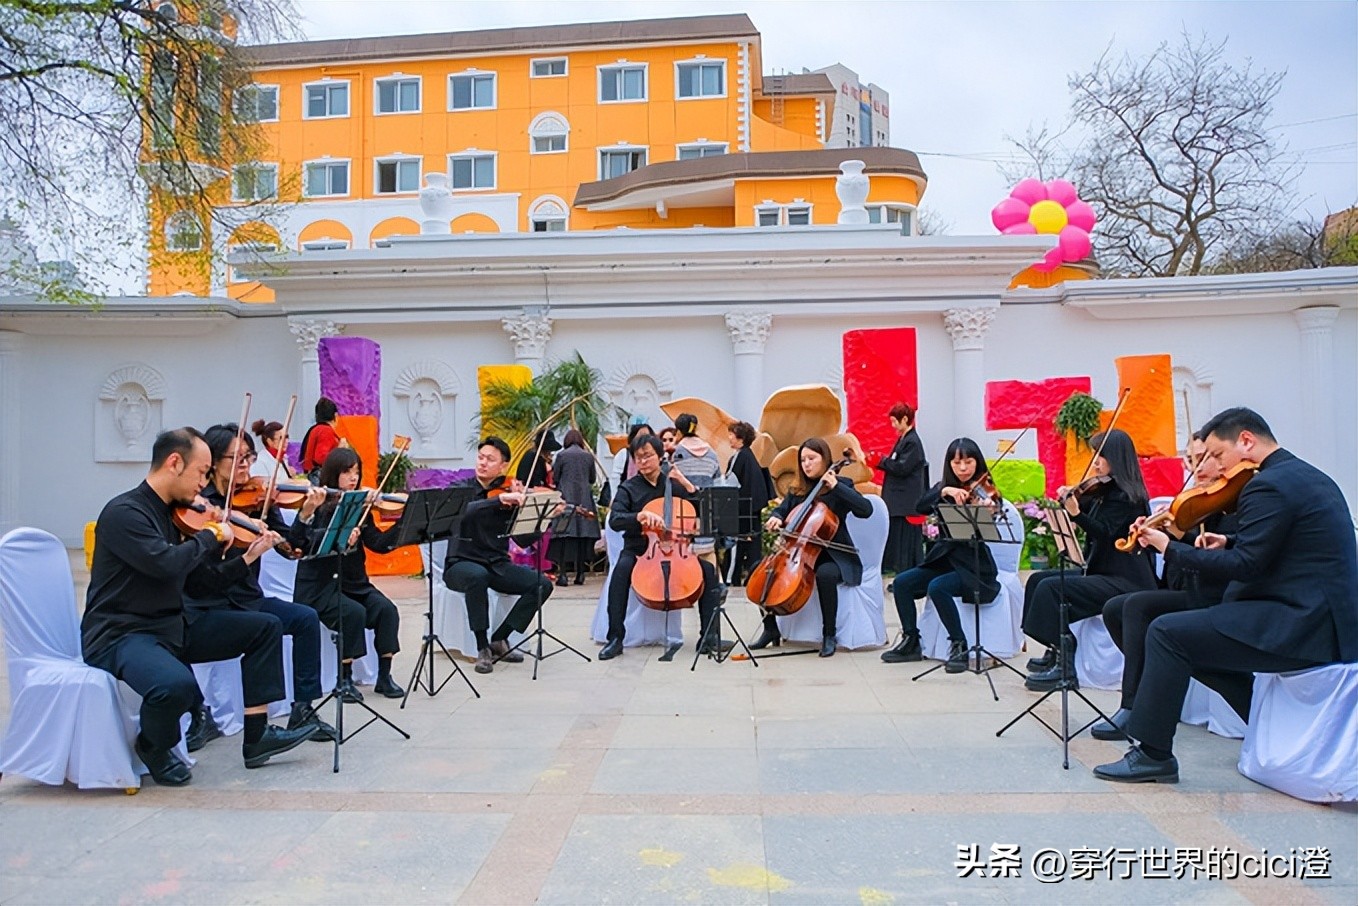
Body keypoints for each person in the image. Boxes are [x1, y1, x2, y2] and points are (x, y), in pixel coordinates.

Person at [1093, 408, 1358, 784]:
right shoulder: (1302, 475)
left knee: (1167, 631)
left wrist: (1170, 549)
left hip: (1303, 622)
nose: (1214, 465)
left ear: (1246, 441)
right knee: (1192, 644)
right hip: (1321, 617)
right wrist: (1228, 540)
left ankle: (1153, 754)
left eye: (1217, 455)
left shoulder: (1268, 485)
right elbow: (1280, 548)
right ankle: (1263, 720)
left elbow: (1247, 566)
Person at [81, 428, 319, 785]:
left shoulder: (177, 514)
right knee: (176, 686)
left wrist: (239, 553)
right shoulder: (124, 513)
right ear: (174, 463)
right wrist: (211, 536)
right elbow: (165, 564)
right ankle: (152, 746)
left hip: (175, 625)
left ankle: (257, 737)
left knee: (265, 625)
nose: (204, 484)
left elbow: (197, 580)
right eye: (202, 472)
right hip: (124, 632)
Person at [187, 424, 335, 742]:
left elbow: (291, 548)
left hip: (247, 597)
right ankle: (202, 715)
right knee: (265, 625)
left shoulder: (259, 498)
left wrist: (307, 514)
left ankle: (302, 709)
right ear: (212, 462)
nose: (246, 465)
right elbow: (201, 570)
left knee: (306, 618)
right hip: (212, 601)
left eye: (249, 457)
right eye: (236, 458)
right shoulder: (199, 506)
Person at [1091, 432, 1238, 740]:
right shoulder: (1199, 501)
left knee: (1135, 605)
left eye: (1204, 459)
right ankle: (1146, 687)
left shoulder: (1231, 503)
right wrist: (1155, 536)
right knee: (1115, 608)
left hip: (1217, 596)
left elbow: (1215, 557)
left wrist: (1168, 541)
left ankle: (1133, 706)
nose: (1196, 469)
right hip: (1190, 589)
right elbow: (1192, 545)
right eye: (1190, 460)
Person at [1022, 428, 1156, 691]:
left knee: (1052, 588)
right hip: (1101, 571)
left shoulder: (1128, 498)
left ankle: (1066, 662)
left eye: (1101, 456)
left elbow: (1105, 533)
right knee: (1038, 580)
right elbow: (1094, 518)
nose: (1095, 462)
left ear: (1116, 459)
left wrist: (1076, 513)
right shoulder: (1105, 492)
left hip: (1124, 580)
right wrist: (1075, 500)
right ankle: (1054, 646)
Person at [600, 434, 727, 660]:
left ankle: (709, 636)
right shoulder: (628, 488)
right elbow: (615, 518)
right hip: (640, 549)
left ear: (660, 457)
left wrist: (686, 482)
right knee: (620, 572)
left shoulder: (673, 485)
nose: (642, 461)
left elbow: (701, 507)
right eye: (638, 457)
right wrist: (639, 516)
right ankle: (615, 637)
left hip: (676, 548)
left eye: (648, 456)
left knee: (708, 572)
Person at [293, 447, 407, 700]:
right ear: (333, 475)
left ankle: (384, 676)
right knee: (353, 614)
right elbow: (303, 543)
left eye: (356, 472)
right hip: (321, 587)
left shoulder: (359, 507)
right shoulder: (321, 508)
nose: (353, 478)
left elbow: (377, 543)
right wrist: (340, 537)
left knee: (387, 610)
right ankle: (343, 679)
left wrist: (404, 524)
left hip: (355, 584)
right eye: (346, 472)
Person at [882, 437, 999, 673]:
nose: (963, 468)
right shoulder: (945, 490)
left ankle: (959, 645)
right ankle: (911, 640)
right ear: (949, 465)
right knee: (902, 583)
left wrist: (988, 511)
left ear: (978, 463)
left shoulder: (986, 493)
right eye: (957, 463)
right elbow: (920, 506)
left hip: (973, 565)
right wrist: (944, 489)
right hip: (945, 559)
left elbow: (991, 523)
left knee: (938, 587)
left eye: (968, 462)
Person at [750, 437, 874, 658]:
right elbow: (783, 509)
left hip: (833, 554)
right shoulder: (798, 489)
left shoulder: (841, 485)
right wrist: (777, 518)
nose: (806, 464)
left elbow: (866, 510)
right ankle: (771, 629)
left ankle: (829, 635)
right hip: (797, 552)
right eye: (803, 459)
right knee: (757, 570)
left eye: (812, 458)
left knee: (826, 575)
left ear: (825, 459)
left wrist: (836, 487)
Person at [444, 437, 558, 674]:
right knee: (477, 576)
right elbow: (463, 512)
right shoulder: (460, 489)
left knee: (541, 585)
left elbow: (522, 540)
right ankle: (482, 647)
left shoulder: (509, 493)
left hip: (496, 564)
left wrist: (542, 518)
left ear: (503, 466)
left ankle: (500, 637)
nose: (483, 463)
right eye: (481, 457)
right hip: (461, 564)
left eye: (490, 459)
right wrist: (498, 500)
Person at [875, 403, 928, 573]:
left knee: (906, 546)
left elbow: (901, 468)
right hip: (899, 502)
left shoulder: (912, 442)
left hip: (906, 503)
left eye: (894, 422)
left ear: (905, 419)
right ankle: (900, 574)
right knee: (899, 544)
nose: (893, 426)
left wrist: (880, 461)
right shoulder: (904, 439)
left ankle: (906, 575)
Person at [549, 428, 601, 586]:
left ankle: (563, 574)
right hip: (584, 499)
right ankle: (580, 573)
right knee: (581, 538)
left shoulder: (562, 456)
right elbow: (592, 478)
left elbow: (556, 477)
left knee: (563, 537)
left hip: (565, 498)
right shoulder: (588, 456)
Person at [725, 420, 772, 586]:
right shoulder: (748, 456)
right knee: (753, 546)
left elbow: (730, 483)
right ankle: (752, 578)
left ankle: (732, 578)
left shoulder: (740, 457)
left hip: (742, 510)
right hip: (753, 507)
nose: (729, 438)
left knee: (737, 544)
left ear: (741, 438)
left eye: (732, 435)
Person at [669, 413, 721, 489]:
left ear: (679, 431)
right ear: (695, 429)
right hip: (707, 497)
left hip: (684, 498)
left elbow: (671, 477)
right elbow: (717, 479)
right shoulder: (711, 452)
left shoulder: (677, 451)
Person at [300, 397, 345, 480]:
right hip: (320, 477)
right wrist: (340, 450)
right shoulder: (326, 431)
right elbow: (321, 458)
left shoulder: (316, 429)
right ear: (335, 415)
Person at [609, 422, 654, 490]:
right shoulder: (623, 454)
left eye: (647, 436)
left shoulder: (654, 456)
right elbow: (615, 478)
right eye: (641, 435)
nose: (644, 439)